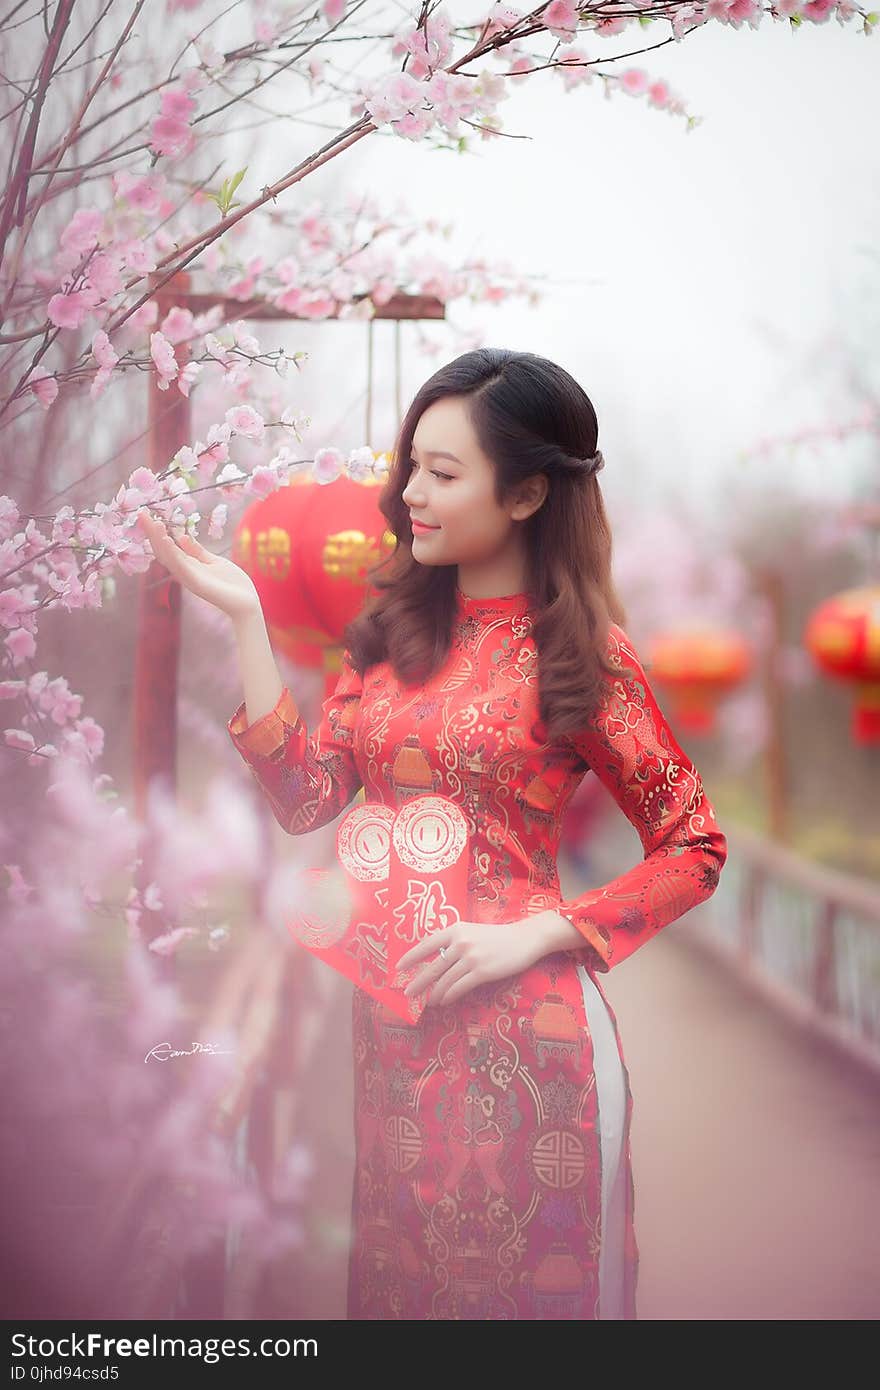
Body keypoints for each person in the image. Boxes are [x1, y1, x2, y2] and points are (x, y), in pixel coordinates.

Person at [138, 347, 727, 1320]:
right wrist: (247, 620)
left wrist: (538, 929)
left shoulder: (582, 655)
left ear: (529, 492)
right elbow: (305, 796)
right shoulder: (387, 635)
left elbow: (693, 845)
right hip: (398, 1047)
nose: (408, 490)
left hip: (536, 1050)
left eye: (442, 473)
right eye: (411, 463)